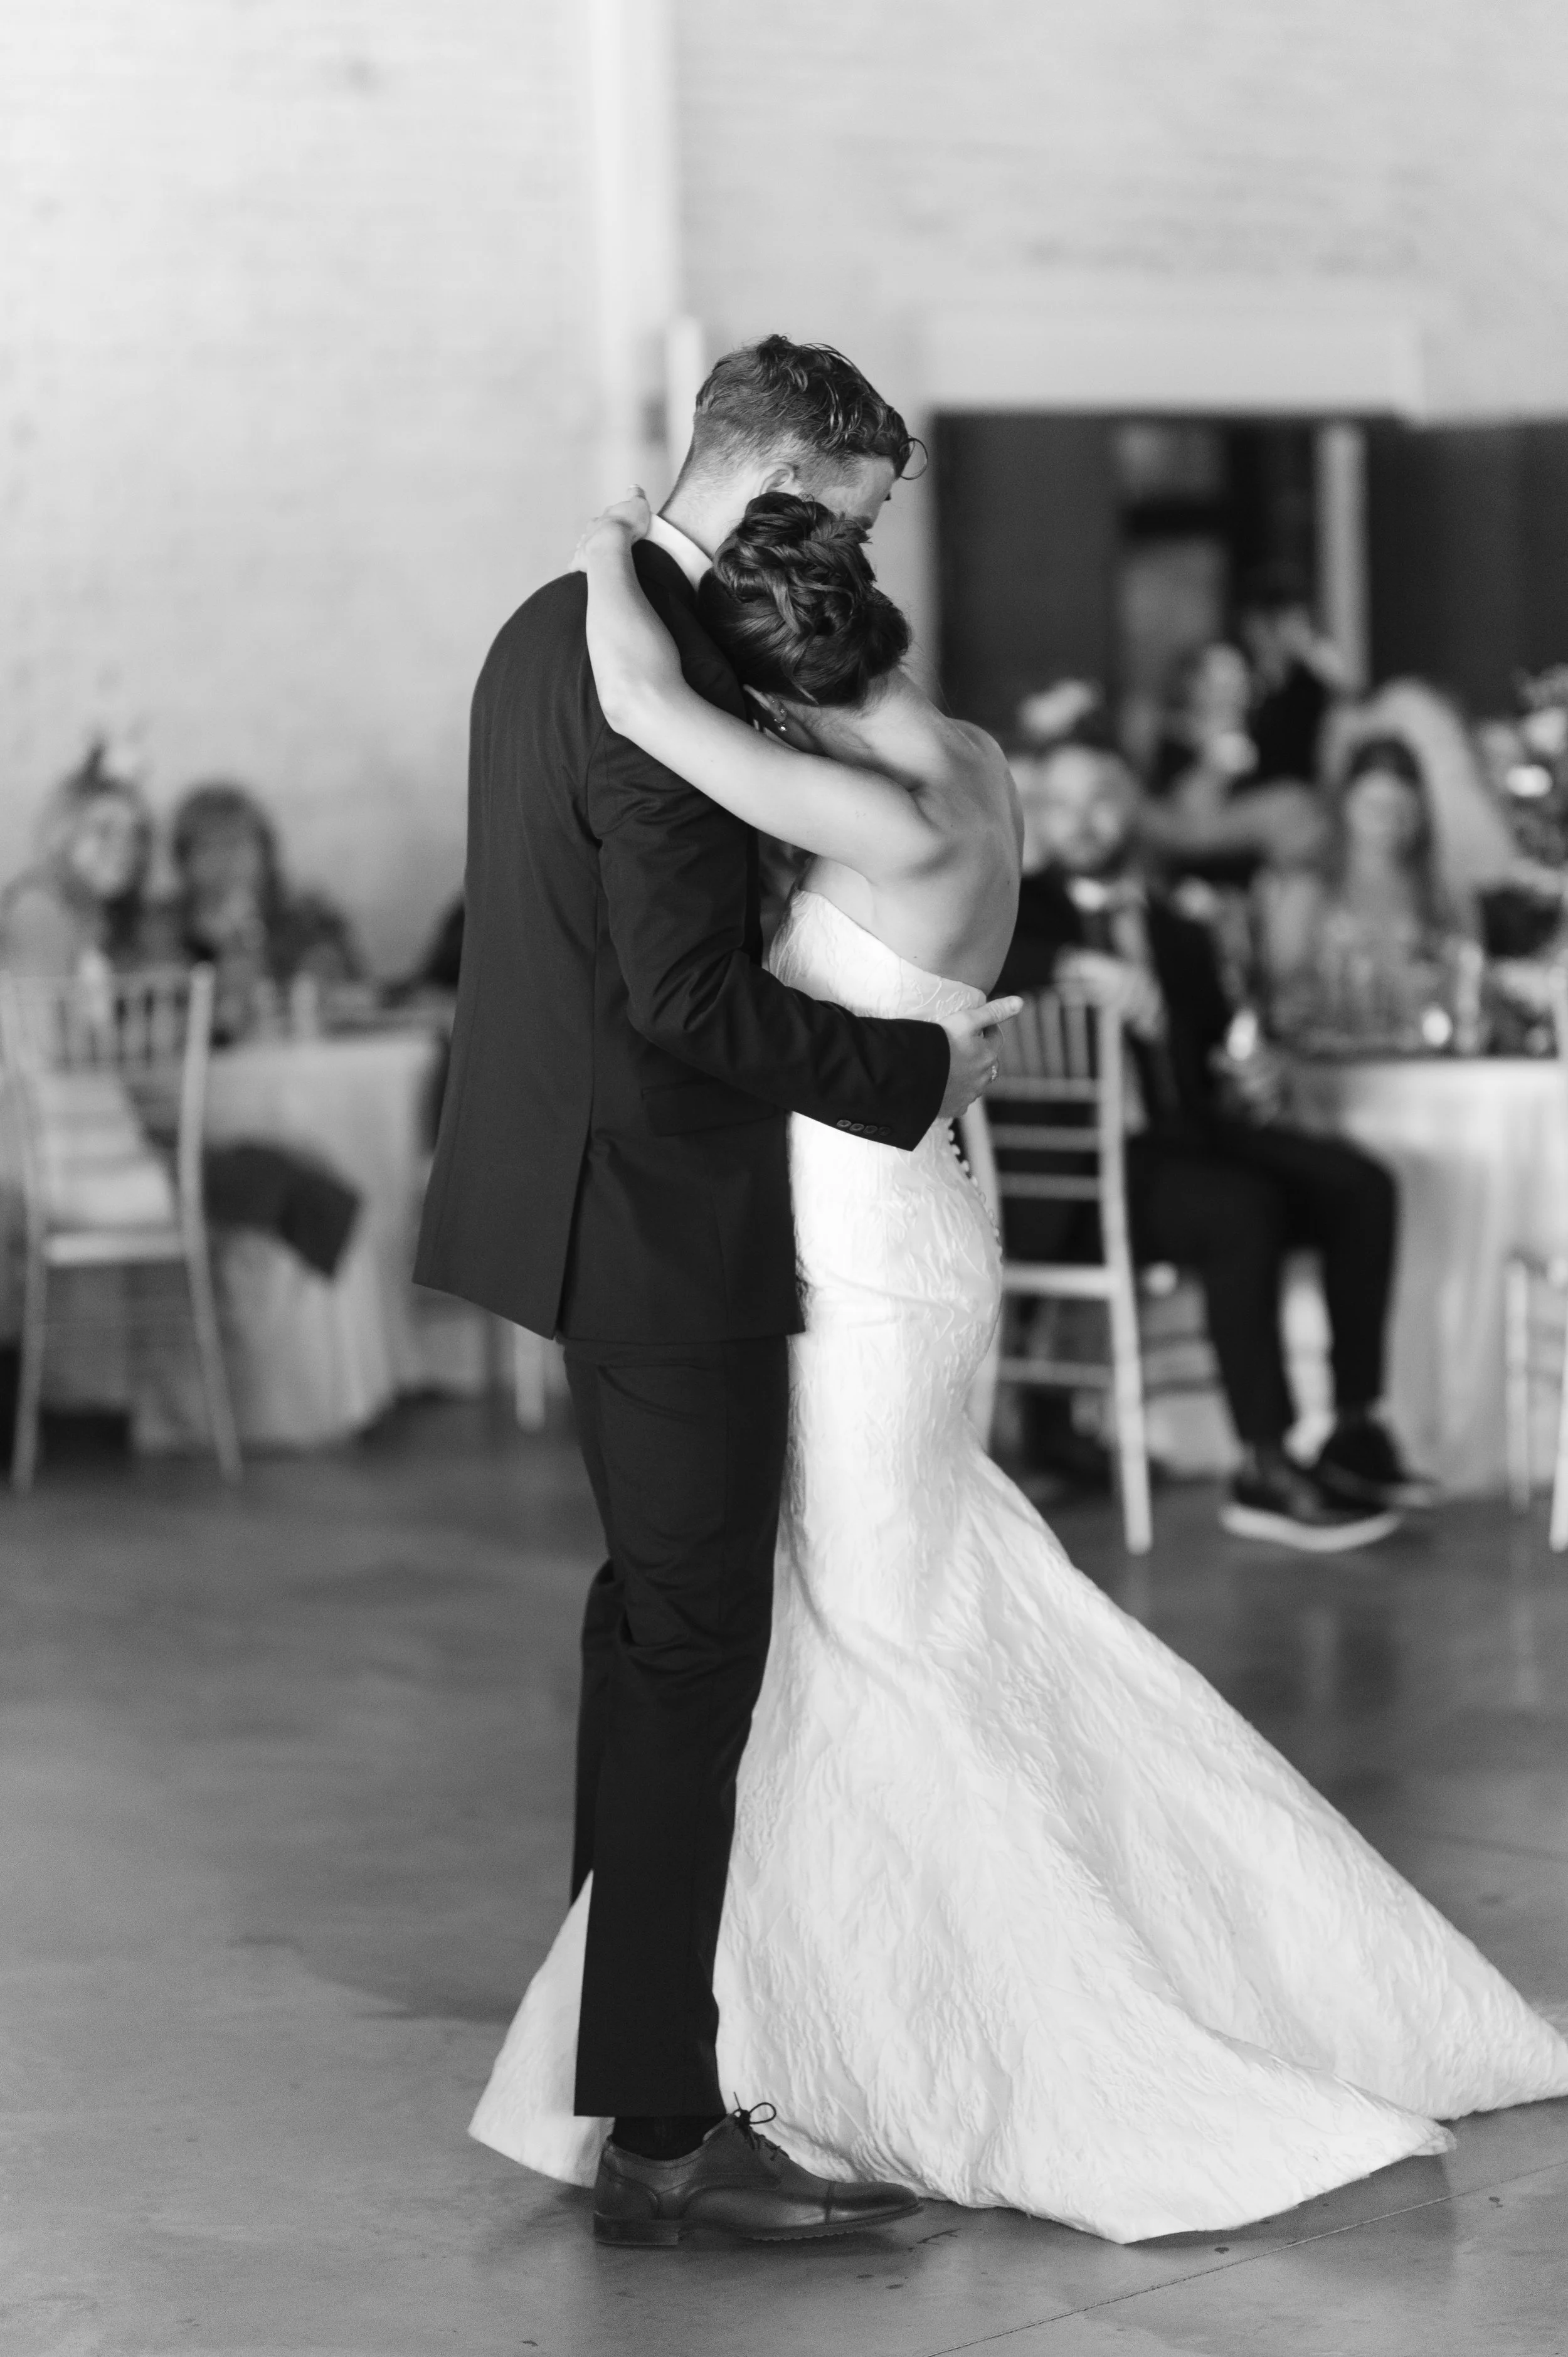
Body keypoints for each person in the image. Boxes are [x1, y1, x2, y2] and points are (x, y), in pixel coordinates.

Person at [465, 485, 1568, 2243]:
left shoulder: (871, 803)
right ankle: (758, 2020)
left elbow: (654, 712)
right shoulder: (964, 757)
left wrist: (612, 554)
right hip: (907, 1229)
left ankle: (948, 2028)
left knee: (872, 1634)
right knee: (915, 1611)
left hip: (870, 1254)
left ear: (794, 688)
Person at [415, 337, 1014, 2247]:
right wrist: (913, 1074)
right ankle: (667, 2123)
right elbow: (686, 1000)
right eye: (837, 517)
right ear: (764, 469)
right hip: (664, 1216)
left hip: (563, 1185)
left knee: (640, 1631)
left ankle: (619, 2028)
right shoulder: (655, 668)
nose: (839, 563)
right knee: (691, 1653)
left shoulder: (557, 621)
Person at [1002, 723, 1434, 1545]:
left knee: (1362, 1185)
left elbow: (1215, 1060)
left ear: (1134, 806)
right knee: (1241, 1207)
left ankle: (1354, 1427)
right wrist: (1071, 967)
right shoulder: (1017, 911)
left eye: (1101, 798)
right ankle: (1263, 1463)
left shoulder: (1179, 925)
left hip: (1187, 1140)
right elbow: (960, 960)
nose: (1082, 820)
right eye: (1060, 803)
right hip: (1082, 1181)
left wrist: (1254, 1071)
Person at [1265, 734, 1474, 1049]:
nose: (1387, 821)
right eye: (1374, 805)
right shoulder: (1307, 890)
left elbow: (1469, 983)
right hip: (1329, 1062)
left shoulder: (1443, 894)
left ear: (1420, 814)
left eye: (1400, 807)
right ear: (1346, 806)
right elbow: (1283, 992)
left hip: (1422, 1060)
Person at [164, 781, 362, 1037]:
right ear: (183, 862)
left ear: (265, 852)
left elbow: (351, 993)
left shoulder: (310, 919)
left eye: (234, 843)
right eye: (206, 847)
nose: (222, 861)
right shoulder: (164, 929)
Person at [0, 743, 153, 978]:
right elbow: (35, 1010)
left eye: (137, 833)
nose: (125, 847)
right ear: (63, 835)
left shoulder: (99, 914)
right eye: (104, 830)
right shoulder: (39, 908)